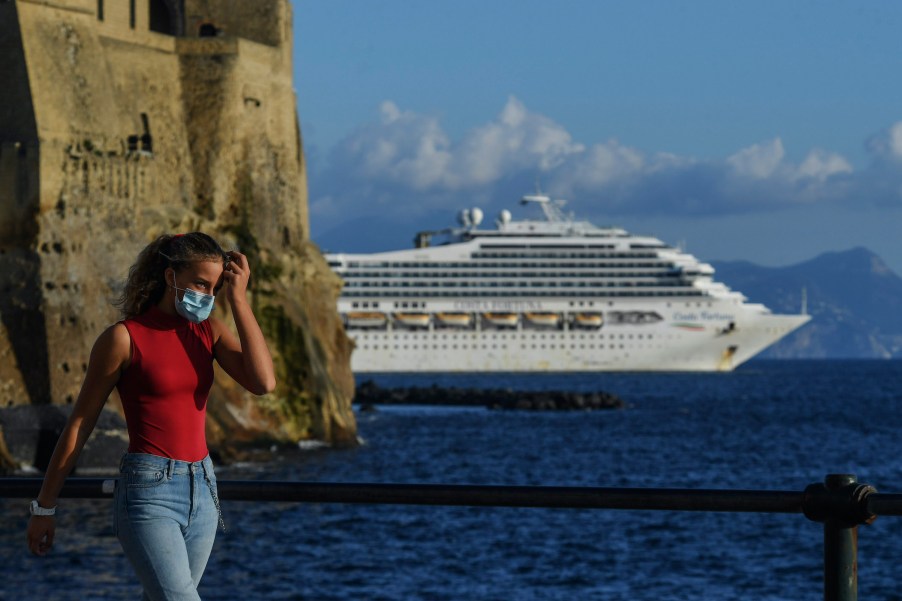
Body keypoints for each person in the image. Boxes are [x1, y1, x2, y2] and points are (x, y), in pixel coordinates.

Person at [26, 232, 276, 600]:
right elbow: (80, 423)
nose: (206, 296)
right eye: (200, 284)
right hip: (149, 492)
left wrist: (238, 298)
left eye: (214, 287)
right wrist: (44, 507)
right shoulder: (123, 338)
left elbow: (263, 382)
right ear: (170, 277)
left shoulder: (209, 332)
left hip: (204, 490)